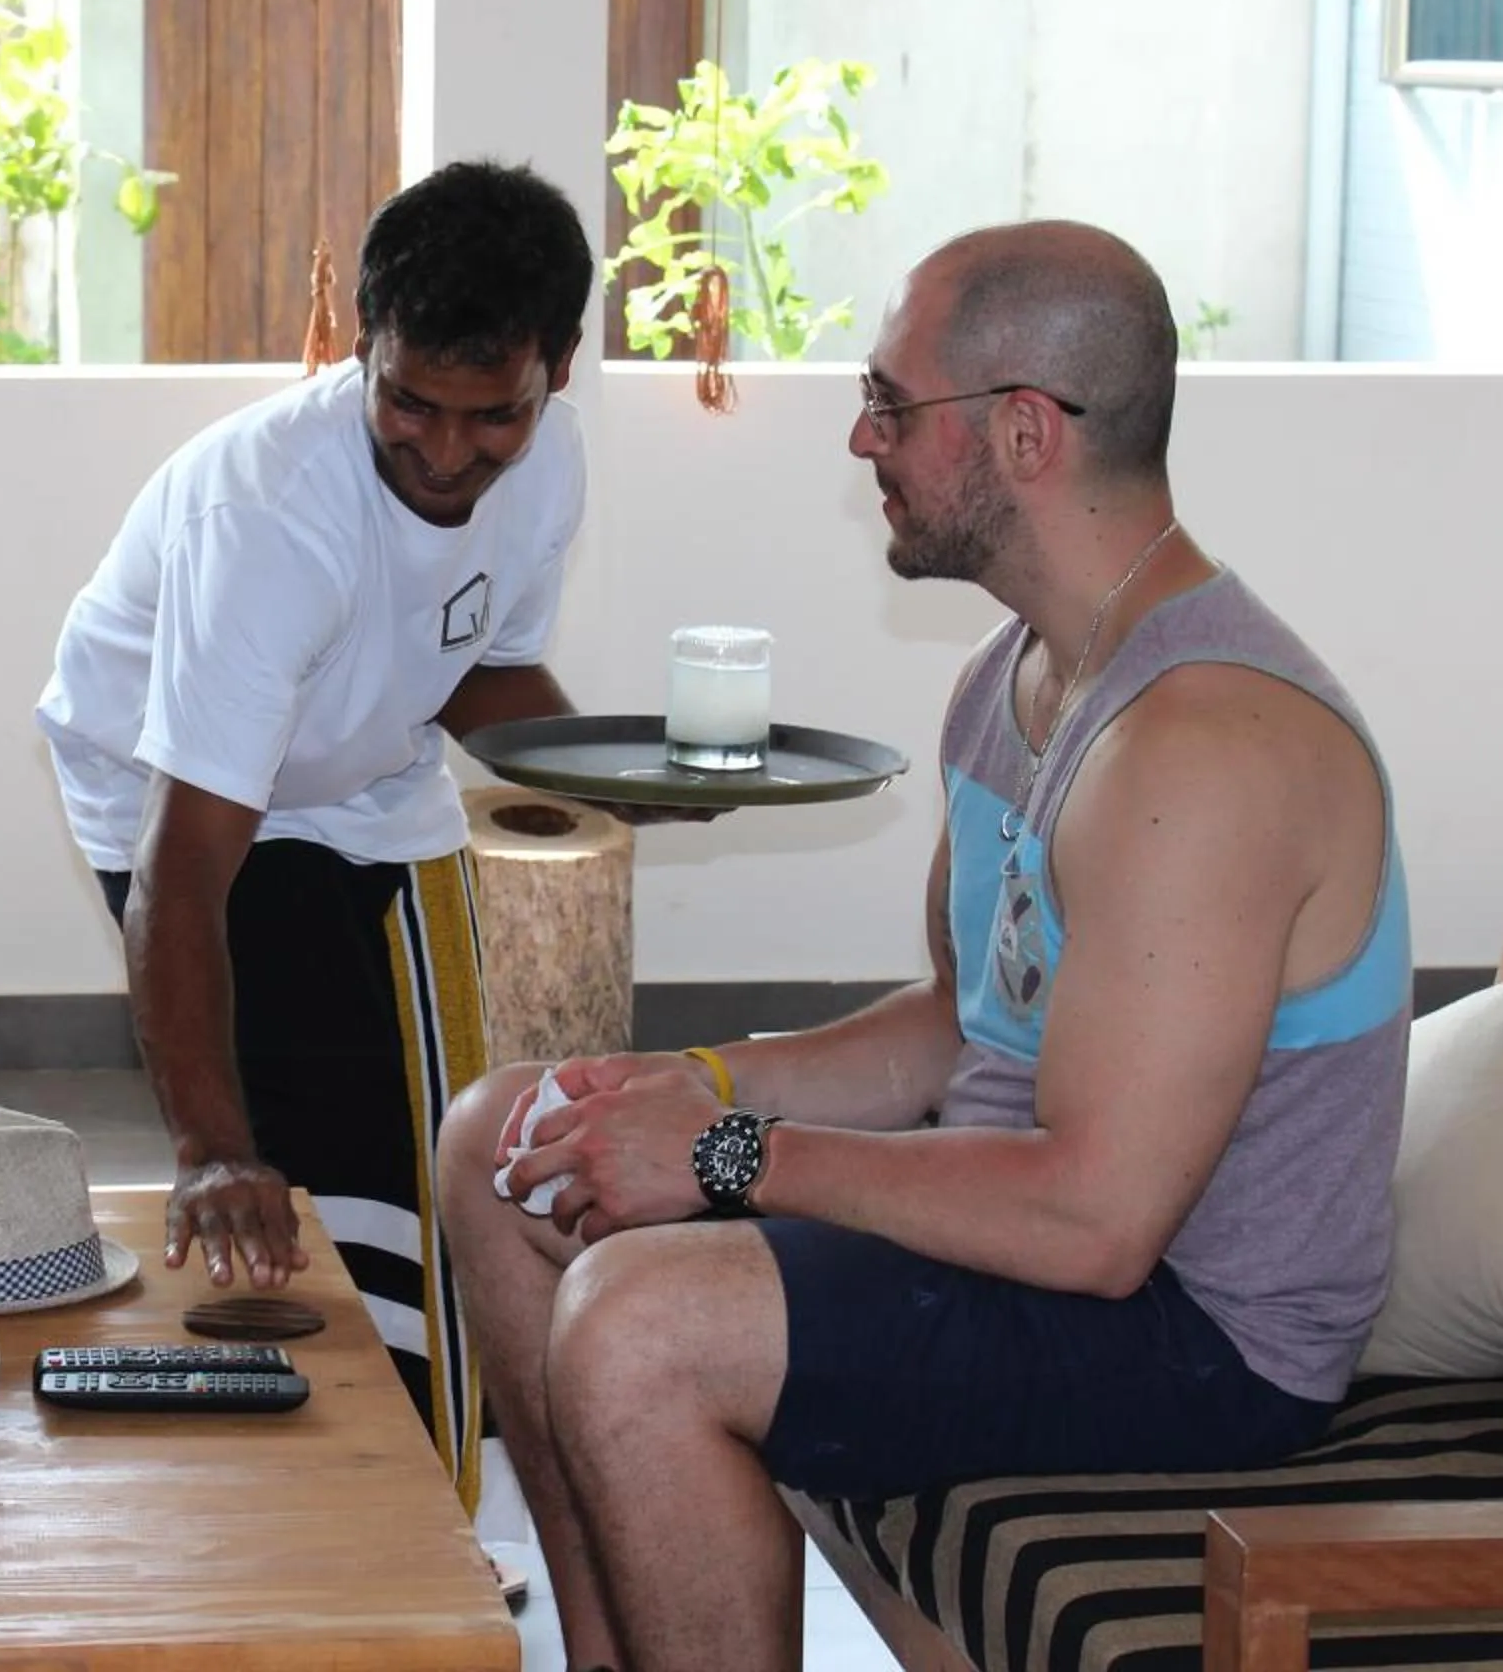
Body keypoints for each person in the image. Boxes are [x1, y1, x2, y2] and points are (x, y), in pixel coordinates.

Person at [439, 220, 1411, 1672]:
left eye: (890, 403)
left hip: (1197, 1336)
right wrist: (698, 1085)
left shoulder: (1204, 749)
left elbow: (1096, 1224)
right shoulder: (1015, 676)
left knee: (642, 1326)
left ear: (1025, 432)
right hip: (1041, 1246)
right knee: (502, 1136)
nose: (861, 438)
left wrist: (726, 1153)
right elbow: (964, 1025)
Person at [35, 159, 606, 1495]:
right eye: (410, 402)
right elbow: (185, 871)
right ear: (362, 342)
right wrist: (209, 1150)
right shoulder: (270, 519)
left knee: (449, 1168)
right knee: (311, 1164)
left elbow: (472, 664)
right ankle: (332, 1522)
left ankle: (424, 1522)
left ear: (557, 371)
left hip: (376, 782)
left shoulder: (550, 466)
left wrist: (622, 768)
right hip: (177, 799)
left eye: (493, 414)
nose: (447, 452)